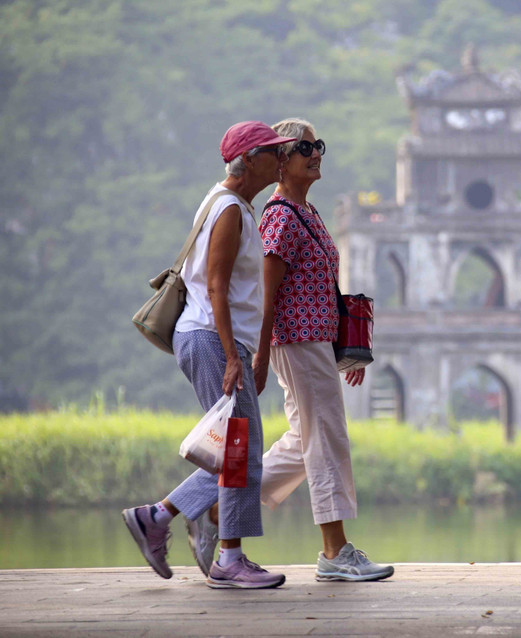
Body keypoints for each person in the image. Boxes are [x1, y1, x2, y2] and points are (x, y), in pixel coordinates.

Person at [187, 117, 393, 582]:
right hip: (294, 339)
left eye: (319, 144)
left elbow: (321, 289)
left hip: (316, 339)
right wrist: (258, 355)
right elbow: (268, 293)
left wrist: (347, 350)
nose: (315, 153)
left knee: (305, 442)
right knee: (327, 437)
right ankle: (334, 552)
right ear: (281, 161)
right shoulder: (279, 215)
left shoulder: (308, 212)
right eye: (304, 148)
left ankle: (218, 511)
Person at [122, 121, 296, 589]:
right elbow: (216, 286)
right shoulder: (229, 209)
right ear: (248, 160)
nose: (280, 160)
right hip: (209, 337)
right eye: (272, 153)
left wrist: (245, 351)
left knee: (239, 450)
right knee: (240, 451)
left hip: (216, 339)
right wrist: (233, 355)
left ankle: (160, 519)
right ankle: (225, 558)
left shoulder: (234, 204)